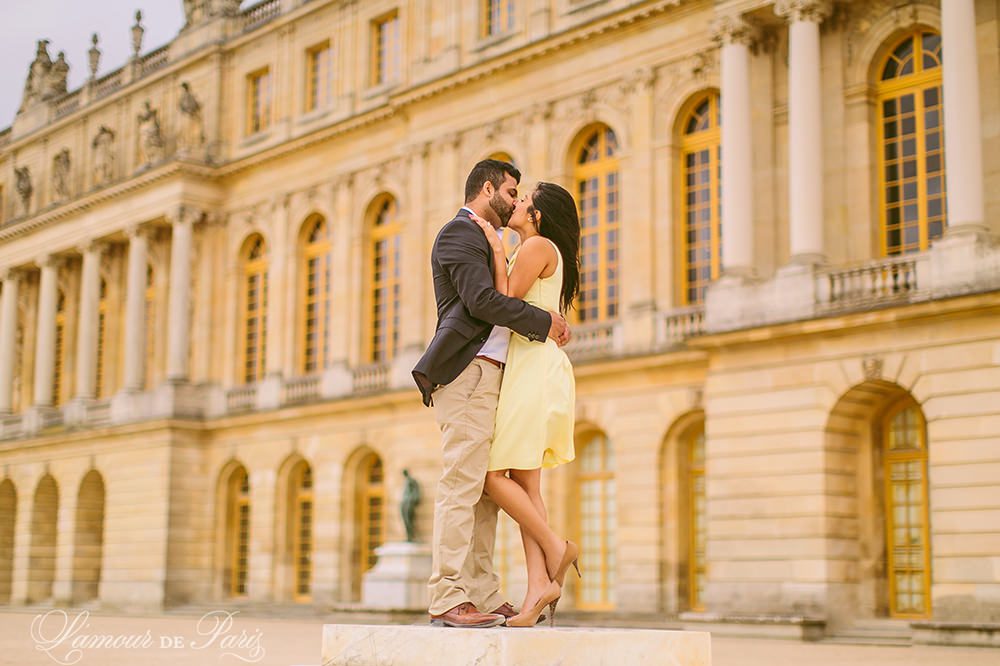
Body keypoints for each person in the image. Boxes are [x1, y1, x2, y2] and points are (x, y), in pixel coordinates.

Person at [412, 160, 571, 628]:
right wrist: (544, 321)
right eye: (512, 191)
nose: (517, 200)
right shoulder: (459, 233)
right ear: (488, 189)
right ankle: (447, 594)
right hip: (469, 371)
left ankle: (481, 591)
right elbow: (481, 302)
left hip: (498, 374)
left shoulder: (495, 239)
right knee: (462, 483)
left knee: (484, 491)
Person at [468, 182, 581, 627]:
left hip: (532, 369)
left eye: (525, 201)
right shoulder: (536, 248)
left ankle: (556, 547)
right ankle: (538, 589)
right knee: (526, 486)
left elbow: (503, 301)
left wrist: (496, 248)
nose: (517, 203)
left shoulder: (535, 247)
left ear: (538, 215)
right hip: (529, 366)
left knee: (494, 477)